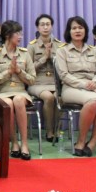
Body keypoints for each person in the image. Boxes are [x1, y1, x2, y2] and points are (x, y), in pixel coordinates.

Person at [54, 16, 96, 157]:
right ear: (69, 31)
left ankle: (93, 142)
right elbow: (64, 75)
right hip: (71, 88)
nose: (77, 31)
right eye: (74, 28)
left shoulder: (93, 51)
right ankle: (80, 141)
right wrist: (85, 85)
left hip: (92, 86)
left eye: (80, 28)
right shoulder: (62, 51)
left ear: (85, 31)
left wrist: (95, 82)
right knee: (92, 102)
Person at [0, 20, 36, 160]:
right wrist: (8, 72)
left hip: (21, 91)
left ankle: (24, 143)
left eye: (20, 33)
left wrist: (19, 71)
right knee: (8, 103)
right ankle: (14, 142)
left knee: (18, 100)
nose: (20, 36)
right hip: (2, 92)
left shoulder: (25, 54)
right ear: (7, 35)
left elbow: (32, 79)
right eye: (17, 33)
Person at [27, 14, 62, 143]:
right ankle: (49, 131)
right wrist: (44, 58)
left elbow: (63, 67)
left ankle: (57, 129)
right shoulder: (32, 46)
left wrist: (52, 57)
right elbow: (28, 69)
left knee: (60, 97)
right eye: (42, 25)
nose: (45, 27)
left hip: (55, 81)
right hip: (37, 82)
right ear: (38, 27)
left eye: (48, 24)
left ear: (52, 26)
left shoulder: (60, 45)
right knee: (49, 97)